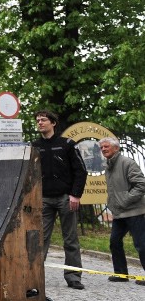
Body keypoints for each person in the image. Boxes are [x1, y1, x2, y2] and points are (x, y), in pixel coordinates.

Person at [33, 110, 88, 289]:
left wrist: (75, 195)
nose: (40, 123)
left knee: (70, 239)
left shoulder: (67, 144)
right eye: (38, 120)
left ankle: (73, 276)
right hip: (44, 199)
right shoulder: (34, 147)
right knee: (40, 239)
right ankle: (34, 276)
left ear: (53, 123)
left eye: (43, 120)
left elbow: (81, 171)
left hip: (66, 197)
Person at [98, 137, 145, 285]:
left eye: (106, 147)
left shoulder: (127, 162)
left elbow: (141, 185)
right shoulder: (108, 165)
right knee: (114, 242)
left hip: (135, 211)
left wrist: (124, 200)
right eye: (102, 148)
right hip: (119, 212)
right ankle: (121, 274)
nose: (104, 149)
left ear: (116, 148)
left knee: (141, 244)